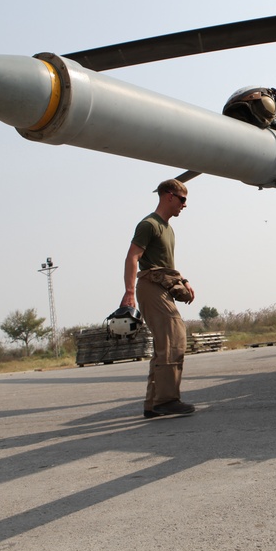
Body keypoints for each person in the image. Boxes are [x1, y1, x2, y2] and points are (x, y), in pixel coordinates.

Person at [122, 179, 196, 418]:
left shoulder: (167, 228)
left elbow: (164, 264)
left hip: (162, 286)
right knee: (173, 339)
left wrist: (182, 281)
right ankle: (167, 400)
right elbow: (132, 257)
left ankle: (153, 403)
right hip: (150, 286)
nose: (185, 205)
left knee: (165, 343)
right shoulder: (149, 224)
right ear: (168, 196)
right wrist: (129, 292)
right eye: (182, 199)